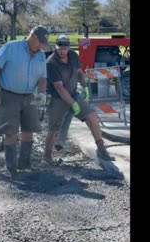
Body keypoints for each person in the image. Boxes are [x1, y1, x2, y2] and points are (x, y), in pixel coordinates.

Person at [44, 34, 114, 166]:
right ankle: (47, 155)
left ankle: (101, 149)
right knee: (53, 129)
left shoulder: (73, 56)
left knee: (92, 116)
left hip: (73, 93)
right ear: (56, 48)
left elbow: (79, 72)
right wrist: (72, 103)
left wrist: (85, 87)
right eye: (60, 49)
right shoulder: (51, 63)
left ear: (68, 48)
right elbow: (59, 88)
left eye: (65, 49)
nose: (63, 52)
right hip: (57, 98)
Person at [0, 25, 50, 176]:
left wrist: (41, 94)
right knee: (10, 132)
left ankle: (24, 165)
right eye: (40, 42)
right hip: (9, 95)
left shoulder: (41, 55)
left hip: (29, 96)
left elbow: (43, 78)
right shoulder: (11, 48)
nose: (41, 46)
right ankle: (11, 168)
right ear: (33, 36)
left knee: (28, 130)